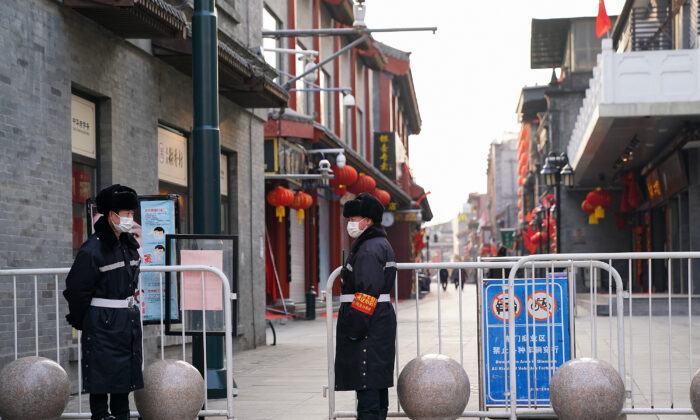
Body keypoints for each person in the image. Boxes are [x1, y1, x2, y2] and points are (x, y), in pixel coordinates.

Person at [63, 184, 143, 420]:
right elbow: (77, 290)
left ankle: (122, 416)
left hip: (125, 322)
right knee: (100, 381)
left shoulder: (129, 246)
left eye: (131, 213)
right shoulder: (93, 249)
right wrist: (83, 320)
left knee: (122, 383)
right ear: (110, 214)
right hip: (102, 323)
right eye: (125, 214)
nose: (130, 218)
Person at [335, 193, 397, 420]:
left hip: (369, 326)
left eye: (354, 217)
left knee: (368, 387)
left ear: (368, 220)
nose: (350, 223)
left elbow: (367, 292)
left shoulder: (369, 249)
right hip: (379, 322)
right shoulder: (378, 243)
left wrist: (354, 328)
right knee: (376, 384)